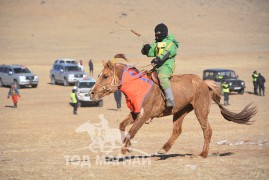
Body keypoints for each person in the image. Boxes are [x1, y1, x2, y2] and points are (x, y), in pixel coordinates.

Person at [141, 23, 179, 107]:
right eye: (156, 35)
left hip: (167, 65)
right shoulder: (157, 43)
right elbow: (151, 52)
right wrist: (145, 49)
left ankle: (170, 99)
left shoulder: (170, 42)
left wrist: (158, 59)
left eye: (158, 35)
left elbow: (168, 53)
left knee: (162, 77)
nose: (157, 37)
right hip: (157, 66)